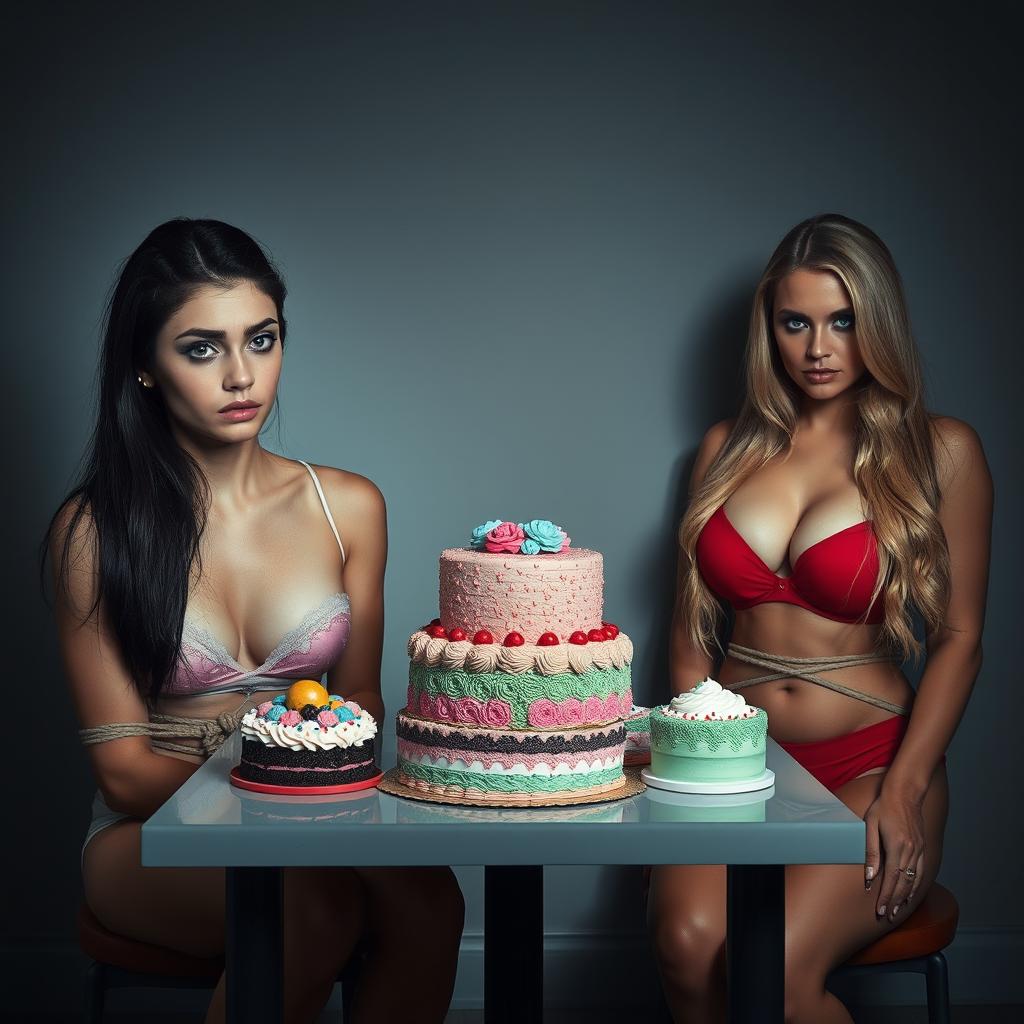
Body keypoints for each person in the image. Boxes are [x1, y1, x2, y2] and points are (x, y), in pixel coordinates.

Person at [40, 218, 465, 1024]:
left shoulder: (348, 507)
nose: (242, 375)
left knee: (431, 901)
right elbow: (124, 773)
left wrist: (307, 807)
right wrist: (286, 803)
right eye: (201, 348)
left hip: (315, 814)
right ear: (142, 366)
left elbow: (361, 711)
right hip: (152, 832)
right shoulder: (92, 531)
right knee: (309, 907)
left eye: (261, 340)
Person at [647, 213, 993, 1024]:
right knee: (687, 947)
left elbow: (961, 638)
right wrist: (692, 773)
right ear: (769, 328)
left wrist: (905, 789)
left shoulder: (942, 451)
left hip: (871, 765)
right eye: (794, 322)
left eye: (843, 321)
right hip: (733, 771)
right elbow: (687, 640)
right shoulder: (724, 449)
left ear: (878, 323)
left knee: (768, 972)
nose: (818, 347)